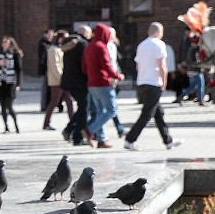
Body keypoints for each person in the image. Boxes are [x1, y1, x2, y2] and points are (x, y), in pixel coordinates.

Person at [124, 22, 183, 151]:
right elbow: (162, 65)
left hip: (143, 82)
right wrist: (164, 81)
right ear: (159, 32)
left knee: (158, 113)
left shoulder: (141, 45)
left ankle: (168, 141)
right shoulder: (159, 44)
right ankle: (130, 139)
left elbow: (137, 65)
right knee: (147, 114)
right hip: (154, 82)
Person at [82, 23, 124, 148]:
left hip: (92, 84)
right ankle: (90, 130)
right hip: (102, 83)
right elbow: (107, 65)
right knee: (112, 110)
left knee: (100, 112)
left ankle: (101, 140)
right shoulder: (101, 47)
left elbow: (84, 68)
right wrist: (117, 76)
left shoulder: (88, 46)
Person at [60, 25, 92, 145]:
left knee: (82, 107)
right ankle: (77, 137)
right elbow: (84, 64)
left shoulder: (67, 43)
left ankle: (69, 130)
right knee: (83, 108)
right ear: (84, 33)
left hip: (68, 80)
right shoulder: (82, 44)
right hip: (80, 81)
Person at [42, 31, 74, 130]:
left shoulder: (59, 49)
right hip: (57, 81)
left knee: (69, 101)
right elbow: (55, 66)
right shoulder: (53, 50)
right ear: (60, 38)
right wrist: (62, 79)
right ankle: (46, 123)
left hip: (62, 80)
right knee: (54, 101)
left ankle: (72, 121)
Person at [0, 36, 23, 133]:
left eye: (6, 42)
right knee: (2, 107)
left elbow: (18, 69)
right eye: (2, 42)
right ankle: (6, 127)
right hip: (1, 83)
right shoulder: (0, 55)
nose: (4, 44)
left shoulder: (15, 54)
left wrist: (18, 84)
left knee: (9, 106)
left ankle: (16, 126)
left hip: (11, 83)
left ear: (10, 43)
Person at [179, 33, 208, 106]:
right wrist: (202, 65)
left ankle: (180, 97)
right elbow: (195, 61)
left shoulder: (191, 49)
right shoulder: (194, 50)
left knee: (192, 87)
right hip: (196, 71)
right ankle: (200, 101)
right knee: (200, 85)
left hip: (191, 71)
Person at [38, 28, 55, 111]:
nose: (52, 36)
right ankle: (44, 106)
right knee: (45, 87)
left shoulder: (49, 43)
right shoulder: (43, 43)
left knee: (47, 88)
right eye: (50, 34)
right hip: (46, 69)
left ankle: (47, 105)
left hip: (48, 69)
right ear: (46, 34)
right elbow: (43, 57)